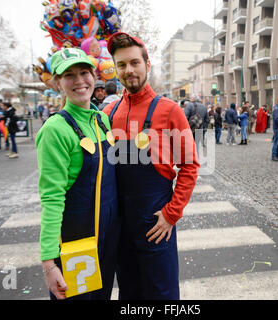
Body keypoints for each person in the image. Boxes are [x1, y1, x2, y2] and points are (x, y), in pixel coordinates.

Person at [103, 32, 199, 300]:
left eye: (134, 62)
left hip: (156, 224)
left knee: (162, 294)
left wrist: (172, 213)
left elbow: (190, 165)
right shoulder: (108, 114)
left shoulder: (169, 110)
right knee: (129, 292)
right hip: (120, 227)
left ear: (147, 63)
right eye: (121, 65)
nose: (129, 70)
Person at [35, 48, 120, 300]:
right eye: (69, 75)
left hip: (108, 239)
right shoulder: (55, 130)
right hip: (76, 246)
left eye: (84, 72)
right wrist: (49, 264)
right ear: (57, 83)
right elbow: (52, 199)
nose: (80, 80)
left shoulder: (101, 120)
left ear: (94, 76)